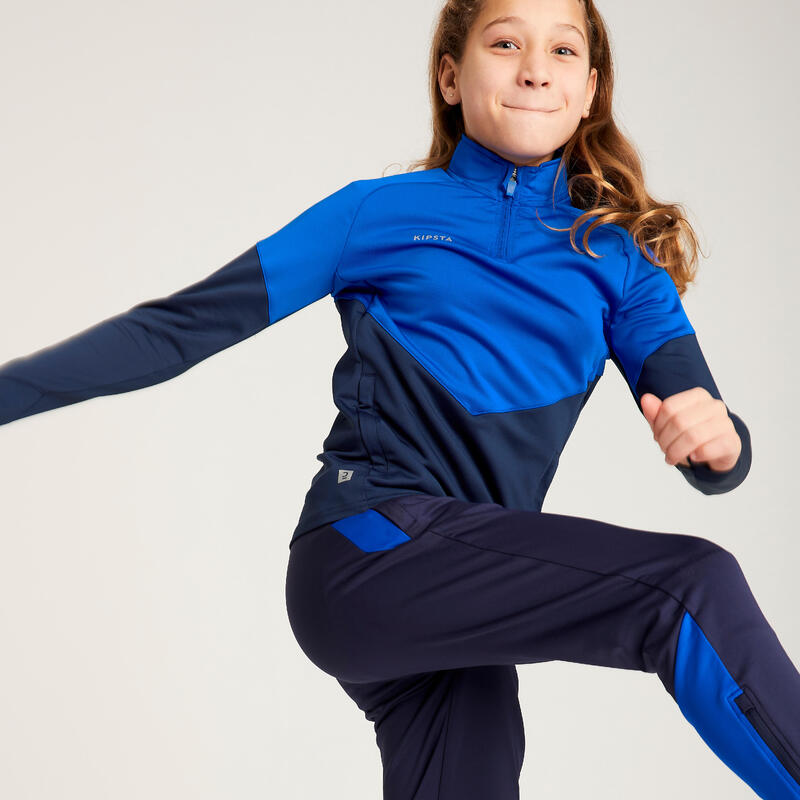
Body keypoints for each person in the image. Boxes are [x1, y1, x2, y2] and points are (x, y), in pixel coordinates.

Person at [1, 0, 797, 797]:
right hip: (363, 550)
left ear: (589, 89)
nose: (533, 67)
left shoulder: (619, 261)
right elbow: (176, 330)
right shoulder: (376, 215)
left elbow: (706, 430)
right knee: (688, 587)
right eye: (505, 42)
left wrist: (722, 445)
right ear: (451, 76)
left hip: (466, 595)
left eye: (562, 50)